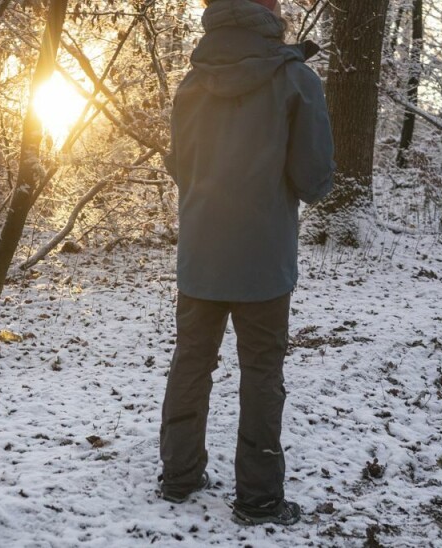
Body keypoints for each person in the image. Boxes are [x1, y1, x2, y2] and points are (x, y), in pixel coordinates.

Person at [158, 0, 335, 527]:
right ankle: (259, 499)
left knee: (192, 361)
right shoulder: (296, 80)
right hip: (262, 259)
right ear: (268, 11)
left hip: (201, 257)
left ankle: (179, 476)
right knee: (261, 372)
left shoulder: (192, 83)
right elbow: (314, 180)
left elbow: (182, 168)